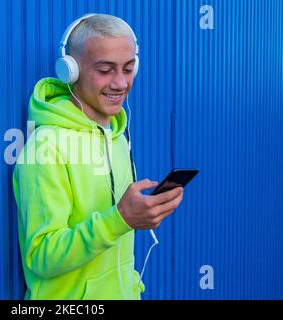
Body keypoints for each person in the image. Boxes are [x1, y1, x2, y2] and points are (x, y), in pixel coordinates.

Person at [13, 13, 184, 300]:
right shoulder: (45, 148)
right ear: (71, 70)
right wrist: (120, 218)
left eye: (128, 69)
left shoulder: (115, 136)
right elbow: (41, 256)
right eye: (105, 70)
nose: (120, 83)